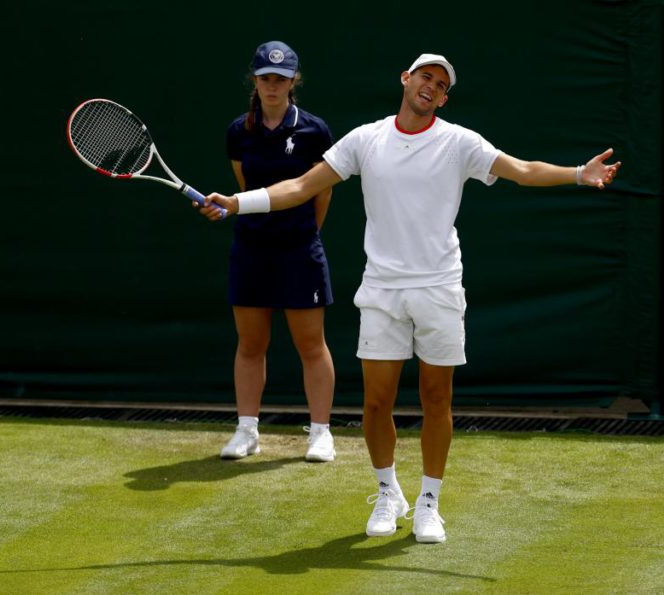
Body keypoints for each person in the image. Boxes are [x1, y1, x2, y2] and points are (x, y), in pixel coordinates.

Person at [200, 53, 621, 543]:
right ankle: (387, 492)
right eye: (426, 76)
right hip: (381, 290)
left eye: (441, 85)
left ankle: (428, 503)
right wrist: (238, 203)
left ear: (444, 98)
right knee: (376, 403)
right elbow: (300, 186)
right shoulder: (365, 139)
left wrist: (577, 173)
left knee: (436, 399)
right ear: (406, 79)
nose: (432, 87)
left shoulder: (460, 142)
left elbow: (522, 170)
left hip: (439, 288)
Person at [217, 41, 337, 463]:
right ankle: (247, 431)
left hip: (299, 250)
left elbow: (321, 192)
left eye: (281, 79)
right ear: (255, 80)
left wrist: (304, 234)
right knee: (250, 343)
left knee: (311, 344)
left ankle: (321, 433)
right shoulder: (238, 132)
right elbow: (246, 187)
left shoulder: (315, 130)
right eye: (266, 78)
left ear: (293, 83)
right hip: (251, 249)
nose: (273, 86)